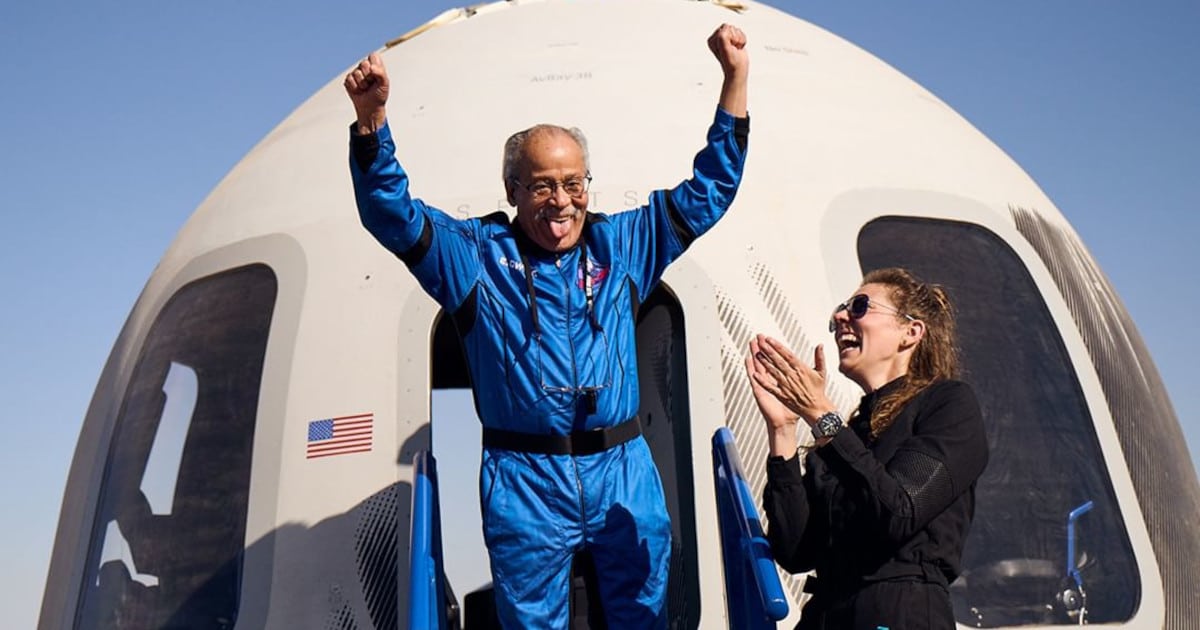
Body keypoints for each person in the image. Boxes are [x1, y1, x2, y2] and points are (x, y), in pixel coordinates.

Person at [344, 24, 749, 628]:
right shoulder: (475, 257)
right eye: (541, 185)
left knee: (644, 614)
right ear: (512, 190)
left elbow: (709, 190)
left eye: (573, 183)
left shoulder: (626, 244)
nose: (561, 201)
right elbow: (392, 215)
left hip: (621, 469)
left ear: (588, 185)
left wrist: (735, 79)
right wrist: (371, 122)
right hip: (524, 480)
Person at [745, 267, 989, 629]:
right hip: (828, 612)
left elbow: (899, 511)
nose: (840, 316)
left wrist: (822, 416)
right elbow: (797, 550)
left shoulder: (948, 404)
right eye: (841, 310)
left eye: (859, 307)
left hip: (898, 610)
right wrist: (783, 430)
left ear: (911, 332)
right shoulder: (848, 431)